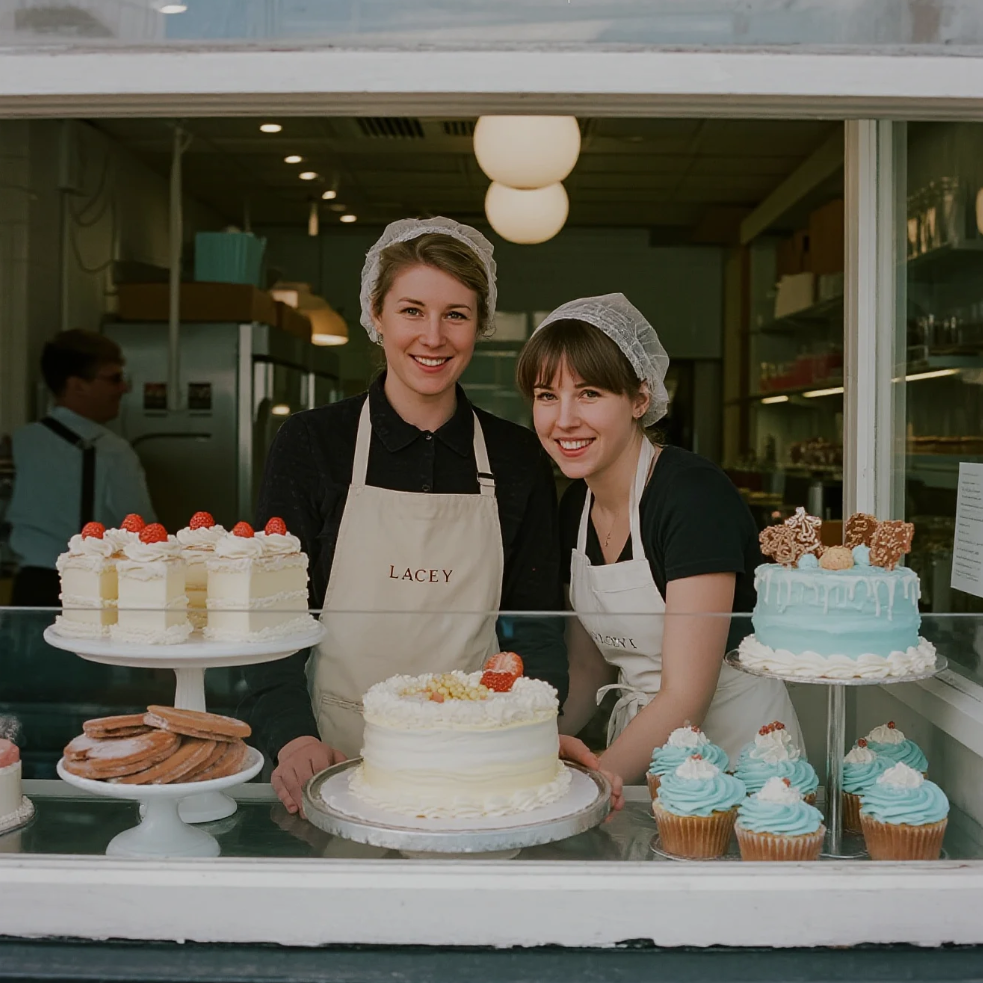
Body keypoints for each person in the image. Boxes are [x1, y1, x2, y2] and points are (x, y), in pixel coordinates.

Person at [240, 218, 618, 818]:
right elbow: (270, 618)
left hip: (477, 759)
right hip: (332, 747)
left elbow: (535, 626)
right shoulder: (314, 443)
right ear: (377, 314)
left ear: (480, 324)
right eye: (412, 310)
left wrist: (532, 732)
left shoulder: (518, 457)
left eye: (456, 315)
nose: (433, 337)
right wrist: (292, 737)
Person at [516, 293, 802, 785]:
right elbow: (588, 668)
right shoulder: (574, 507)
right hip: (648, 755)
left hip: (742, 765)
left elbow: (686, 696)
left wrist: (599, 783)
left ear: (640, 399)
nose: (563, 419)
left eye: (589, 394)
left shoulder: (691, 497)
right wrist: (523, 753)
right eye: (547, 395)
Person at [7, 329, 154, 607]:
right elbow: (141, 532)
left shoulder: (23, 439)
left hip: (28, 587)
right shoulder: (113, 451)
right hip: (87, 587)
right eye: (114, 378)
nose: (124, 388)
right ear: (77, 385)